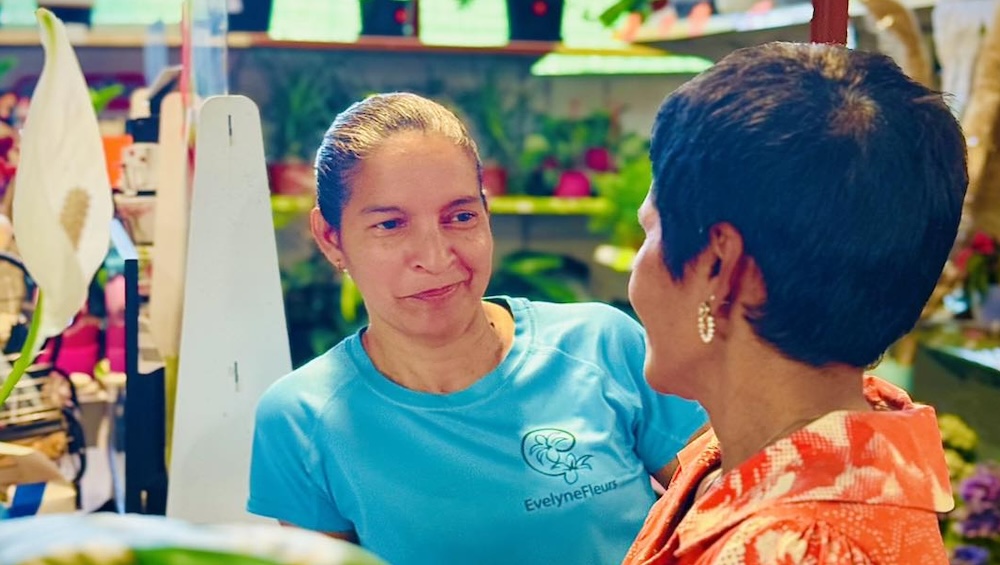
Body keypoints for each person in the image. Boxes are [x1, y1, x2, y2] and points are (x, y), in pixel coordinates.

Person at [247, 92, 707, 565]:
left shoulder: (601, 344)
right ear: (331, 238)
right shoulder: (302, 417)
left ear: (486, 213)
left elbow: (724, 511)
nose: (435, 257)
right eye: (390, 224)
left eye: (460, 216)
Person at [622, 42, 966, 564]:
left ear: (719, 267)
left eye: (649, 232)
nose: (636, 270)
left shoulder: (788, 549)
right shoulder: (797, 452)